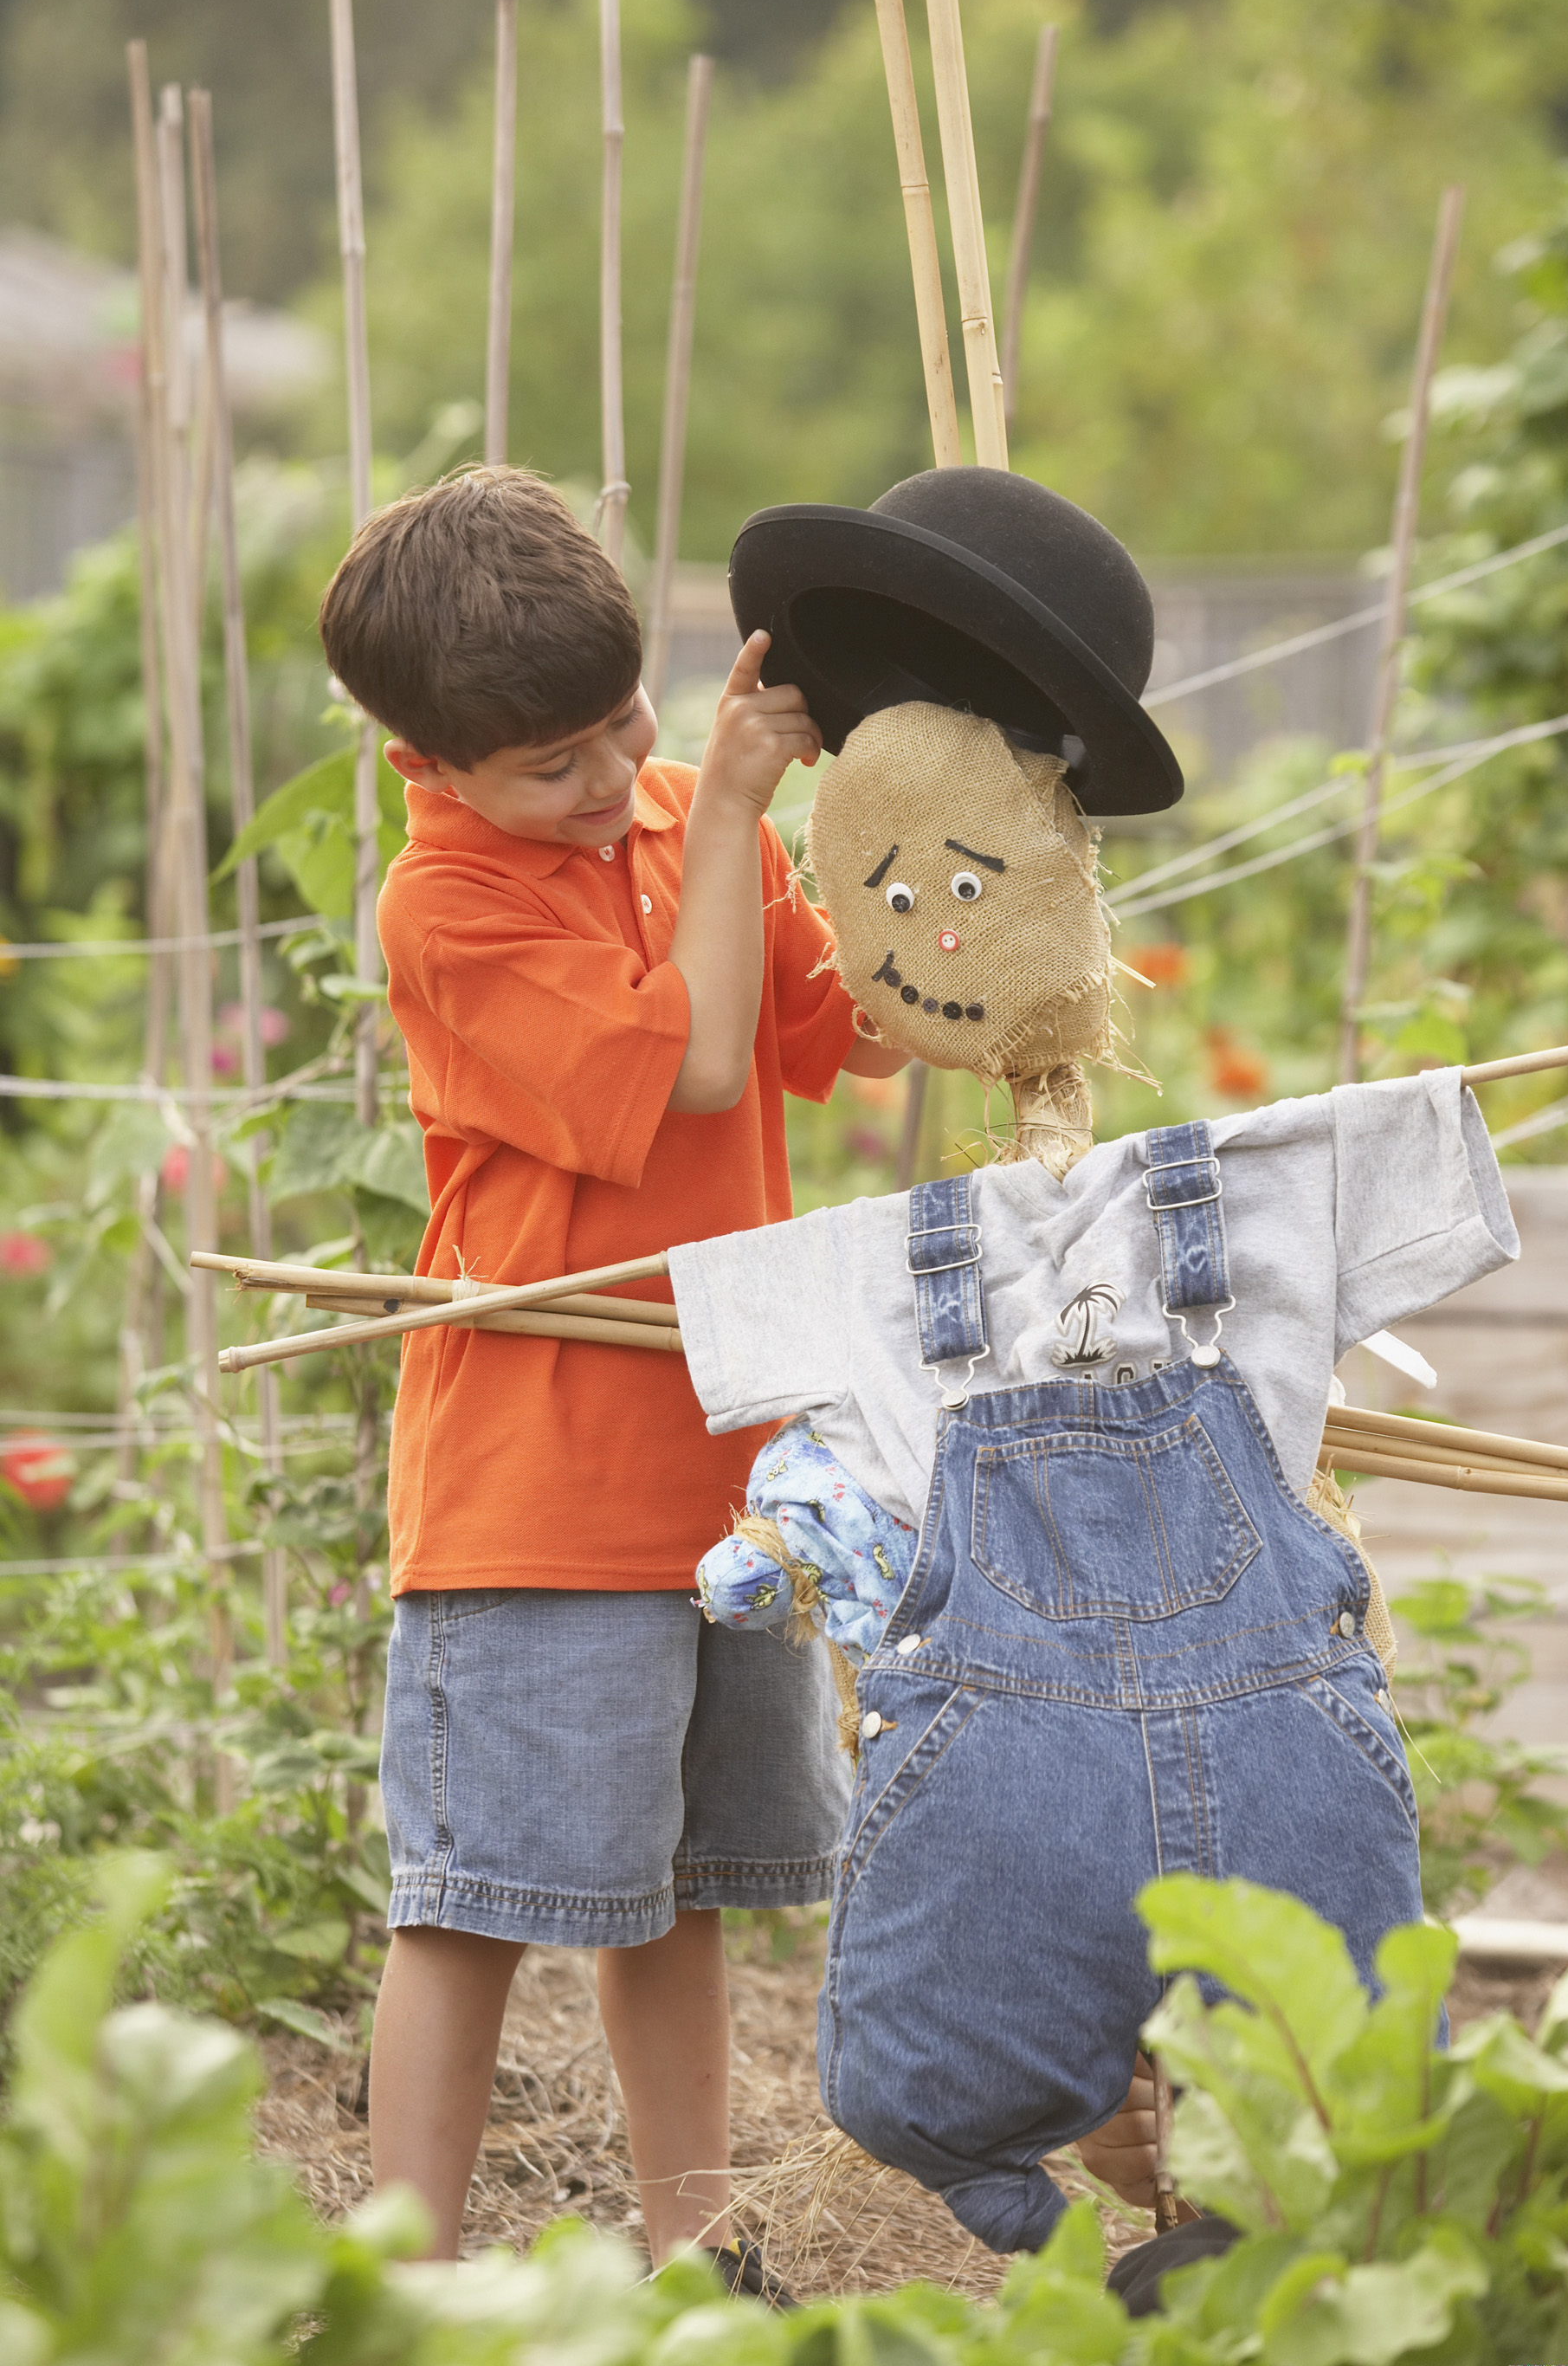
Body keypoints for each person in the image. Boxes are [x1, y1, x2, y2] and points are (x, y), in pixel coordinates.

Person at [318, 467, 907, 2278]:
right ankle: (399, 2281)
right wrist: (722, 812)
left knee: (680, 1896)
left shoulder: (670, 811)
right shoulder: (447, 909)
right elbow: (706, 1069)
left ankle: (695, 2256)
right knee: (476, 1897)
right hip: (539, 1482)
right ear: (425, 762)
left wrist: (950, 842)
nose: (600, 782)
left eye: (619, 727)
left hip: (726, 1468)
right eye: (545, 766)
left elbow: (846, 1032)